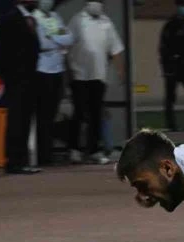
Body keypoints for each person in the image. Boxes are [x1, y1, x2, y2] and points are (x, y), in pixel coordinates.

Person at [67, 0, 125, 165]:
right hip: (79, 75)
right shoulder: (77, 20)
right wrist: (68, 72)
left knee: (95, 114)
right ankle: (74, 149)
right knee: (79, 112)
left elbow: (115, 49)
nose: (97, 5)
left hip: (98, 75)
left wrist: (120, 71)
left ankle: (94, 150)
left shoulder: (106, 22)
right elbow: (66, 45)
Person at [0, 0, 41, 174]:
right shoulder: (9, 19)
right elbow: (1, 50)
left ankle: (22, 160)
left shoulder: (30, 19)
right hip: (16, 78)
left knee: (25, 119)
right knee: (16, 120)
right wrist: (6, 74)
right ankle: (13, 161)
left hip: (30, 78)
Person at [33, 0, 73, 166]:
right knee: (42, 115)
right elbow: (42, 42)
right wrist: (58, 40)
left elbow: (69, 38)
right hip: (42, 70)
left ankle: (48, 153)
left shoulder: (56, 17)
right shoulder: (35, 17)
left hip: (58, 69)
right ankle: (41, 156)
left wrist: (53, 38)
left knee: (52, 114)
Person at [159, 0, 184, 131]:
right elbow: (165, 47)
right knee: (170, 97)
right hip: (172, 65)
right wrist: (167, 67)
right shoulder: (172, 24)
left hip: (182, 64)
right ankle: (171, 125)